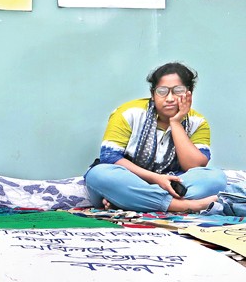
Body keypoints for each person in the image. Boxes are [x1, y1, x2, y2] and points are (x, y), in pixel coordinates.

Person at [84, 62, 227, 213]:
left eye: (178, 91)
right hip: (130, 180)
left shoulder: (198, 122)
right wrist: (156, 179)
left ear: (189, 94)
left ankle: (128, 201)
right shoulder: (128, 113)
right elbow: (109, 157)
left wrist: (176, 123)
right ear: (153, 94)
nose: (170, 98)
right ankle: (186, 206)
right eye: (162, 91)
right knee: (99, 174)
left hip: (173, 183)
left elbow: (193, 167)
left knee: (216, 178)